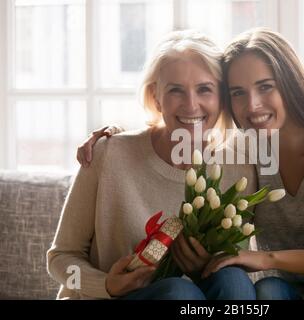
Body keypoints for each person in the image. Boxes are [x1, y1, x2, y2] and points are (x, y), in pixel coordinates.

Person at [78, 28, 304, 300]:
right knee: (267, 291)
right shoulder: (248, 151)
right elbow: (172, 126)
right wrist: (114, 135)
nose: (252, 105)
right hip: (290, 292)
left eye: (265, 87)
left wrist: (265, 258)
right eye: (238, 92)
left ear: (291, 83)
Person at [47, 30, 257, 300]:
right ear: (156, 97)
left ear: (221, 98)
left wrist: (204, 266)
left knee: (232, 278)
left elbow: (231, 264)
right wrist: (105, 285)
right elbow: (60, 258)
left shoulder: (239, 170)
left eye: (204, 89)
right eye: (175, 90)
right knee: (178, 291)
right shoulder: (107, 154)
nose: (191, 105)